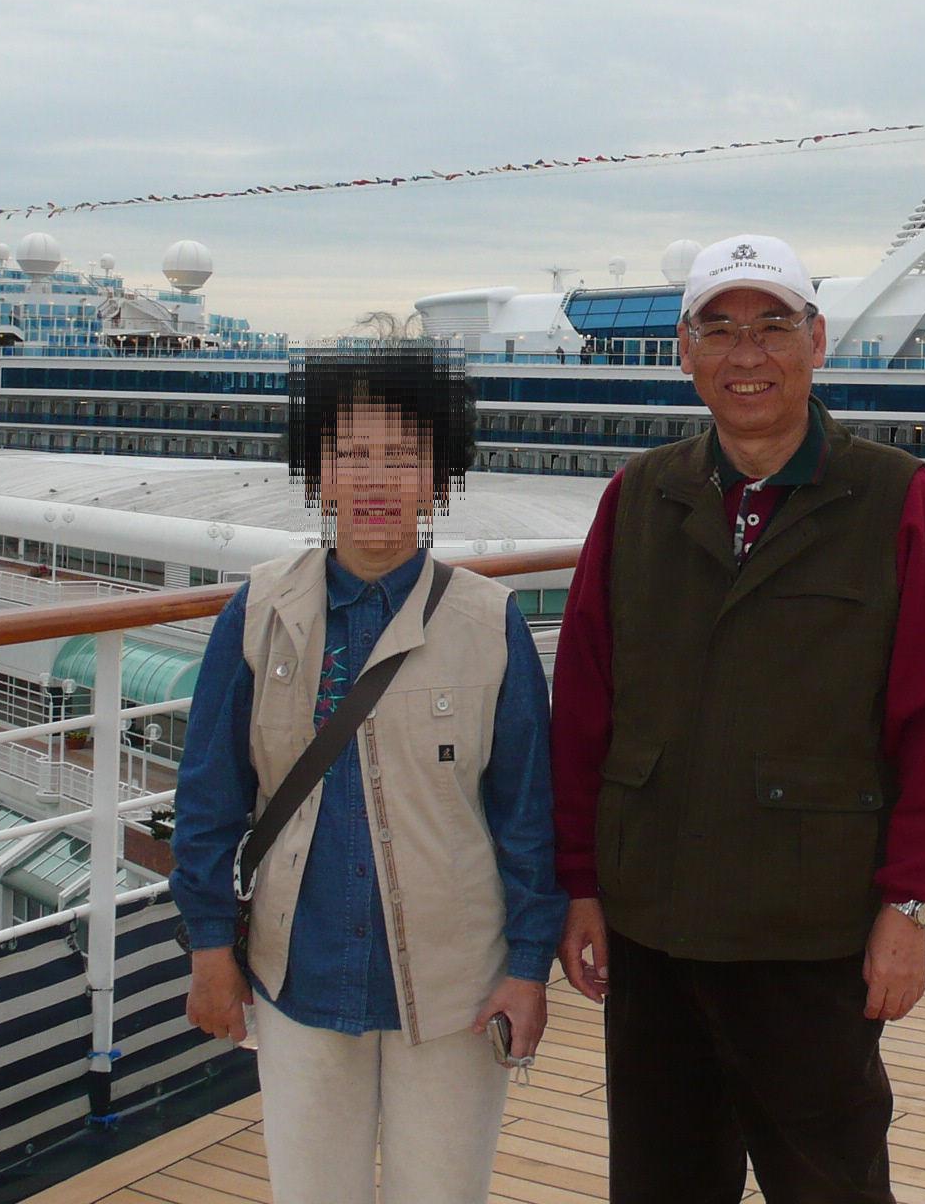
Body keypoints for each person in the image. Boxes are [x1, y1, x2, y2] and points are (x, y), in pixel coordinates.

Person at [550, 234, 925, 1204]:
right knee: (661, 1187)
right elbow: (582, 709)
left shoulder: (893, 499)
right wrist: (579, 883)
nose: (746, 354)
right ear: (685, 352)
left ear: (816, 341)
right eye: (718, 329)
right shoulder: (638, 499)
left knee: (829, 1185)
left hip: (812, 932)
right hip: (653, 928)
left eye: (772, 326)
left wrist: (912, 904)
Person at [169, 342, 564, 1204]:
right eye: (351, 453)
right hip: (299, 973)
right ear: (319, 473)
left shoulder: (489, 623)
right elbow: (209, 797)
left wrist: (529, 966)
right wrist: (210, 947)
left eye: (402, 455)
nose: (376, 479)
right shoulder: (260, 612)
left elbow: (528, 818)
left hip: (457, 986)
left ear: (438, 478)